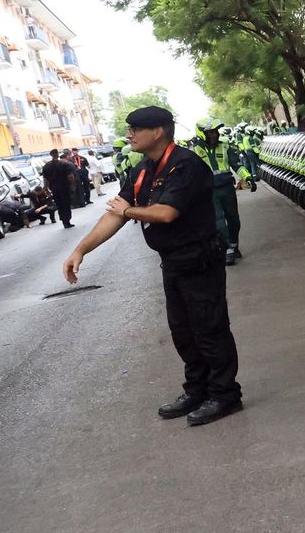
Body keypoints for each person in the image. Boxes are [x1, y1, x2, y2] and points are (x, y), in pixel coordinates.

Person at [61, 106, 243, 426]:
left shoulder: (185, 164)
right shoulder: (144, 169)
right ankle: (198, 390)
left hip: (199, 259)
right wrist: (81, 250)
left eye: (135, 128)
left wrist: (130, 210)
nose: (129, 134)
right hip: (172, 261)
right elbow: (115, 213)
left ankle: (225, 395)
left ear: (158, 131)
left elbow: (165, 213)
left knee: (209, 328)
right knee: (183, 332)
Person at [185, 117, 241, 265]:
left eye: (215, 131)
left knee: (234, 219)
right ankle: (227, 248)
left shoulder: (225, 145)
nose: (214, 134)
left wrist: (248, 178)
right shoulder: (193, 151)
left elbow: (236, 164)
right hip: (209, 190)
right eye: (210, 132)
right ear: (202, 133)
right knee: (219, 220)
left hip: (227, 187)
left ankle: (234, 245)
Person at [41, 149, 75, 228]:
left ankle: (63, 220)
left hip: (54, 188)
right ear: (57, 154)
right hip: (64, 187)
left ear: (51, 155)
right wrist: (73, 185)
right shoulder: (63, 164)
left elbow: (45, 179)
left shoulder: (46, 166)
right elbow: (70, 176)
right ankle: (67, 220)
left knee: (59, 204)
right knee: (66, 204)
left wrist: (46, 189)